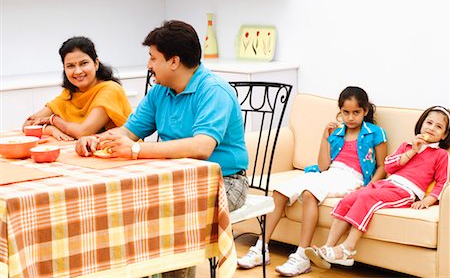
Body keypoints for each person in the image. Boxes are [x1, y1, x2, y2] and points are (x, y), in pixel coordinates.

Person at [76, 20, 249, 278]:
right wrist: (96, 139)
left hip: (223, 182)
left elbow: (202, 147)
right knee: (125, 207)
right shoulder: (161, 92)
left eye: (152, 58)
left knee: (174, 216)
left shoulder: (213, 91)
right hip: (173, 179)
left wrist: (136, 151)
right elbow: (127, 131)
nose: (148, 65)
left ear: (174, 62)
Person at [237, 86, 388, 276]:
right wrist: (325, 138)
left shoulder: (375, 133)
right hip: (330, 173)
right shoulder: (337, 133)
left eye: (356, 112)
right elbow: (323, 166)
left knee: (310, 194)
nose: (351, 118)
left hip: (352, 178)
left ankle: (301, 256)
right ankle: (261, 248)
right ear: (340, 111)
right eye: (346, 112)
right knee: (279, 192)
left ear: (365, 111)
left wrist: (369, 187)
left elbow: (383, 165)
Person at [305, 106, 450, 270]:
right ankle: (329, 247)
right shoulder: (407, 146)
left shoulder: (441, 155)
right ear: (421, 124)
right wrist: (412, 152)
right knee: (350, 198)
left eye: (438, 126)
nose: (431, 128)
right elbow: (388, 166)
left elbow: (442, 182)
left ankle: (347, 249)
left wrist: (427, 201)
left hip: (406, 191)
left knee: (367, 198)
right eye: (429, 123)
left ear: (444, 135)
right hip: (387, 183)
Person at [23, 36, 132, 140]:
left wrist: (54, 120)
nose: (78, 71)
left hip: (118, 153)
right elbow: (27, 124)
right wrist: (50, 129)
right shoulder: (70, 94)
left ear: (96, 63)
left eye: (83, 63)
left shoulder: (110, 90)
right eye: (70, 66)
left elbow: (83, 132)